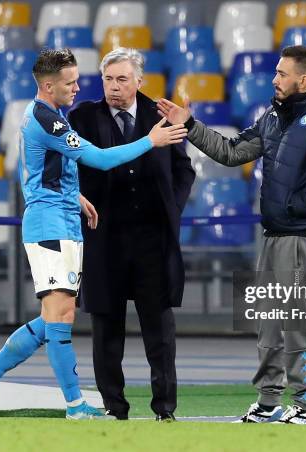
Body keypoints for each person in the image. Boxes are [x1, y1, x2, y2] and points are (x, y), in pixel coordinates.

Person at [0, 48, 187, 420]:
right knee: (62, 315)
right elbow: (99, 159)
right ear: (48, 86)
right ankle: (74, 405)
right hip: (50, 226)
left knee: (53, 317)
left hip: (62, 219)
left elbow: (40, 169)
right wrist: (151, 141)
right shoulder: (47, 119)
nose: (78, 87)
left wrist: (75, 194)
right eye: (70, 82)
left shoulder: (51, 116)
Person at [157, 45, 306, 424]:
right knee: (268, 323)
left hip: (303, 239)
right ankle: (269, 401)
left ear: (304, 80)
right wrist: (191, 126)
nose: (274, 79)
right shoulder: (273, 119)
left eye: (282, 74)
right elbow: (231, 153)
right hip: (275, 236)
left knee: (298, 325)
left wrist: (293, 208)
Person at [67, 47, 195, 422]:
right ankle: (113, 408)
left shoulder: (162, 114)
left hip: (152, 240)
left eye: (122, 79)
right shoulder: (82, 117)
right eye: (108, 79)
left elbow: (184, 170)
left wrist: (171, 209)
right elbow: (65, 164)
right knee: (106, 330)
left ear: (139, 82)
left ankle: (165, 409)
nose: (114, 87)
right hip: (103, 238)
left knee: (160, 330)